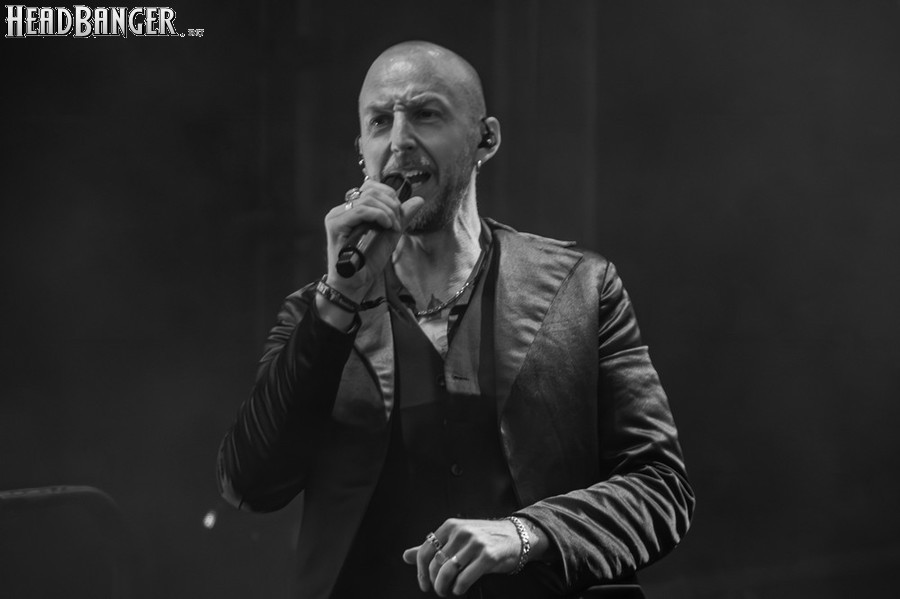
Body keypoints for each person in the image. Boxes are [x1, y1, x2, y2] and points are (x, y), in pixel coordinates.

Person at [217, 41, 694, 599]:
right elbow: (250, 484)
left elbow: (660, 488)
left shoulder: (581, 288)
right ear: (362, 151)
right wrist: (338, 301)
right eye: (379, 122)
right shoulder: (315, 313)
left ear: (484, 139)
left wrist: (527, 533)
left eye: (426, 114)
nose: (400, 140)